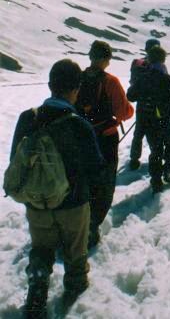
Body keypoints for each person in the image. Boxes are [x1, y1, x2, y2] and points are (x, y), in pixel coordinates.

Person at [10, 59, 104, 317]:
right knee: (76, 254)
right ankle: (73, 298)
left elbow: (14, 161)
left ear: (51, 85)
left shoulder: (28, 118)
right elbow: (96, 168)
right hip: (73, 204)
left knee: (41, 250)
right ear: (76, 88)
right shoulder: (78, 124)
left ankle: (37, 296)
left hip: (37, 202)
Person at [76, 40, 134, 248]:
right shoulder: (110, 81)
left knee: (82, 178)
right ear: (107, 59)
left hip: (80, 137)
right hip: (105, 138)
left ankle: (76, 220)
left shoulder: (78, 78)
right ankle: (92, 226)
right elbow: (123, 112)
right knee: (105, 182)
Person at [126, 46, 170, 193]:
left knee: (155, 149)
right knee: (169, 143)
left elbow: (130, 96)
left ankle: (156, 180)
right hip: (166, 118)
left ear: (149, 58)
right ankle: (169, 169)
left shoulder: (143, 77)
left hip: (148, 118)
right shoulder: (167, 78)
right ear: (163, 59)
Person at [129, 38, 167, 170]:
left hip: (141, 102)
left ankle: (134, 159)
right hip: (156, 105)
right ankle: (156, 159)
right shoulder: (160, 66)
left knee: (139, 131)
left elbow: (132, 83)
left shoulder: (137, 63)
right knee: (154, 132)